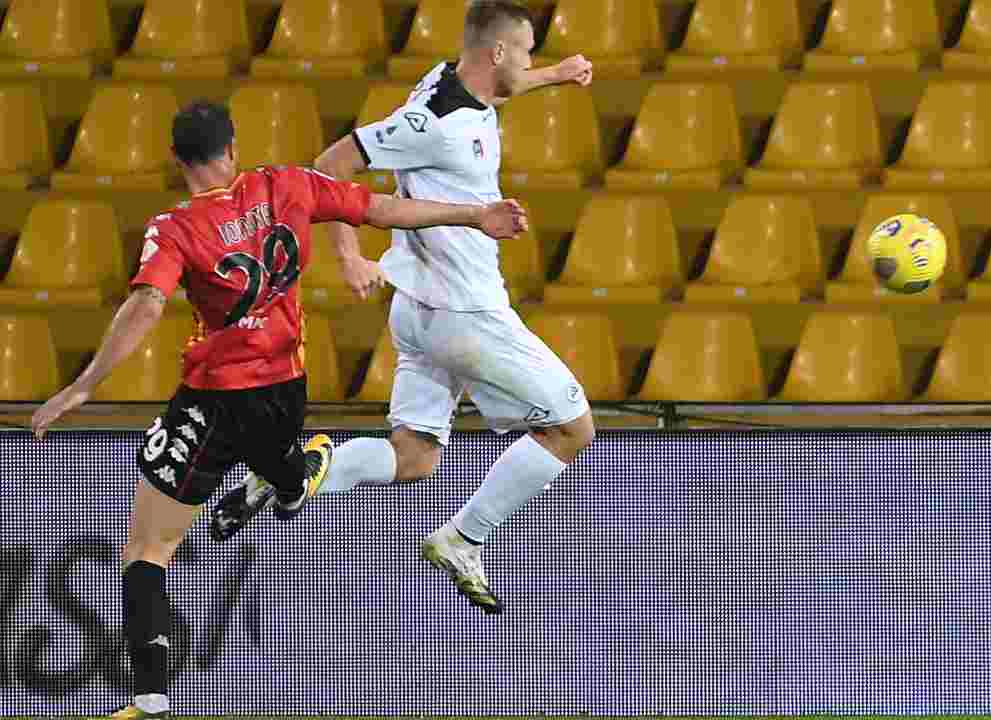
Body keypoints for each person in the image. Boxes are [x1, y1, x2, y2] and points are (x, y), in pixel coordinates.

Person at [29, 100, 528, 720]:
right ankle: (294, 470)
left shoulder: (175, 228)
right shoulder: (286, 184)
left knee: (147, 552)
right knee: (284, 481)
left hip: (213, 397)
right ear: (232, 147)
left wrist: (83, 385)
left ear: (178, 160)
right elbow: (379, 208)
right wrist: (474, 215)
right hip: (285, 390)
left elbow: (147, 306)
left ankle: (150, 701)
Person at [211, 0, 595, 616]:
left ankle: (286, 469)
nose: (528, 64)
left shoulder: (452, 76)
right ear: (496, 53)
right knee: (573, 428)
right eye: (525, 53)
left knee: (413, 456)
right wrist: (349, 257)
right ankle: (463, 539)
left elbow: (504, 85)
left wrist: (556, 74)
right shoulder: (433, 121)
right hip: (464, 314)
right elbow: (330, 166)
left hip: (416, 313)